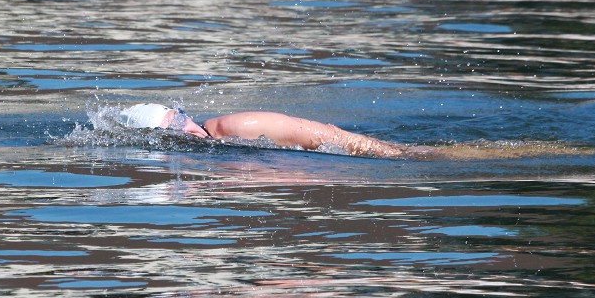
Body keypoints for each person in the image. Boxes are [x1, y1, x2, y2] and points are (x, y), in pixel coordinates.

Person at [118, 103, 422, 158]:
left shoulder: (231, 128)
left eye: (179, 118)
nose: (185, 128)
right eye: (173, 129)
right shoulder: (207, 161)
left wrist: (400, 155)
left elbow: (330, 137)